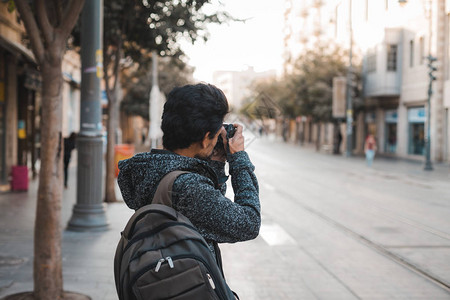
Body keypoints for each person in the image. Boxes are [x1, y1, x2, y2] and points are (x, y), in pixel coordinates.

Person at [117, 83, 260, 259]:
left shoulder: (151, 168)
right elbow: (248, 224)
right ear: (206, 138)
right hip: (189, 285)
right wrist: (239, 159)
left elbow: (206, 216)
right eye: (215, 135)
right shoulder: (188, 188)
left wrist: (215, 160)